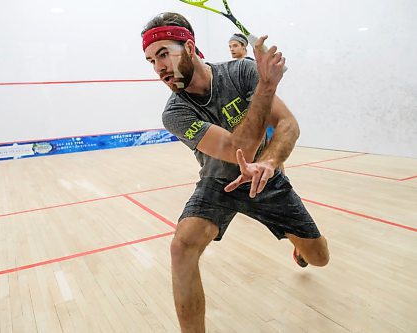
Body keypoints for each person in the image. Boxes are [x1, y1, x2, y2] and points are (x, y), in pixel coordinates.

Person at [141, 12, 329, 333]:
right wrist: (267, 85)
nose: (158, 68)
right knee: (181, 248)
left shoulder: (240, 72)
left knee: (320, 257)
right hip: (218, 184)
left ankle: (300, 246)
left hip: (266, 181)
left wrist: (269, 163)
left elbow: (287, 124)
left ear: (188, 47)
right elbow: (234, 150)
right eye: (150, 61)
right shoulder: (175, 112)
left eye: (163, 55)